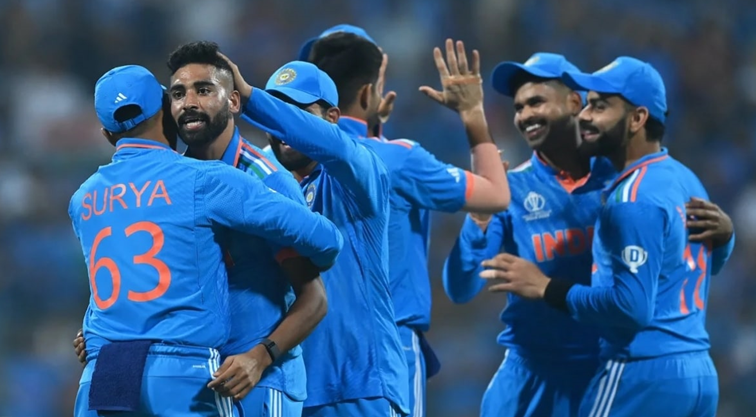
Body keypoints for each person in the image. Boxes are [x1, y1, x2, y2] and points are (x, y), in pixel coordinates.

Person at [73, 41, 330, 416]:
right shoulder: (173, 183)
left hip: (259, 378)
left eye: (204, 90)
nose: (189, 103)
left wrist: (260, 357)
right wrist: (100, 327)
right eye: (178, 93)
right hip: (195, 377)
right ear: (166, 106)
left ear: (234, 101)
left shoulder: (265, 179)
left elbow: (315, 298)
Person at [480, 57, 735, 417]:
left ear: (637, 118)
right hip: (698, 375)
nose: (584, 116)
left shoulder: (629, 200)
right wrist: (727, 239)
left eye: (599, 107)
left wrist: (546, 287)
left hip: (641, 370)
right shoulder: (684, 179)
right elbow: (705, 261)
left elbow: (630, 307)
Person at [304, 33, 511, 417]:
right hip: (387, 347)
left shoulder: (288, 160)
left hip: (311, 349)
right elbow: (495, 194)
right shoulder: (397, 159)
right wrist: (472, 113)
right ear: (368, 92)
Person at [221, 54, 408, 417]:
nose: (284, 125)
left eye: (299, 111)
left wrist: (252, 98)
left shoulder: (360, 174)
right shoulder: (263, 188)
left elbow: (336, 147)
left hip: (360, 385)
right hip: (288, 388)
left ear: (332, 117)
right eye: (278, 111)